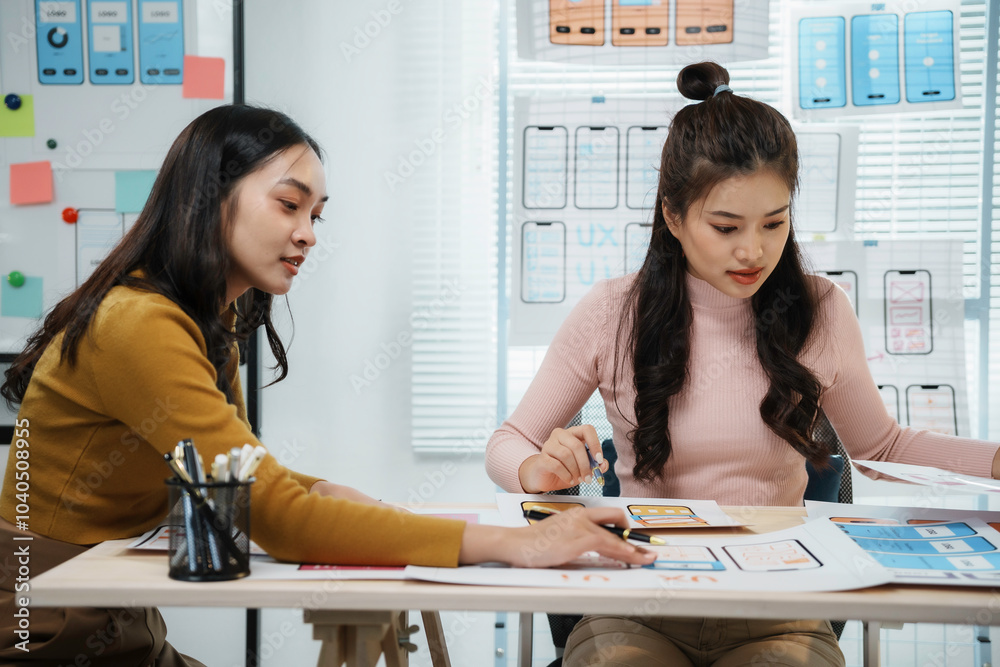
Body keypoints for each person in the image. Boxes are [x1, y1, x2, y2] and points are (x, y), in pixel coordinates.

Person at [0, 105, 655, 665]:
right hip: (46, 622)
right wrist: (517, 543)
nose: (308, 234)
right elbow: (270, 513)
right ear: (209, 195)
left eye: (317, 213)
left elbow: (238, 478)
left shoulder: (207, 321)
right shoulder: (141, 324)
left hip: (111, 615)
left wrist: (312, 488)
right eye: (288, 204)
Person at [485, 61, 1000, 667]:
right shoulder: (612, 313)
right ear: (674, 217)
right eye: (726, 226)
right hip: (637, 602)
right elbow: (509, 440)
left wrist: (992, 461)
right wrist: (536, 471)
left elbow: (881, 447)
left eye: (774, 222)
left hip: (777, 605)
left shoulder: (820, 310)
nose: (753, 250)